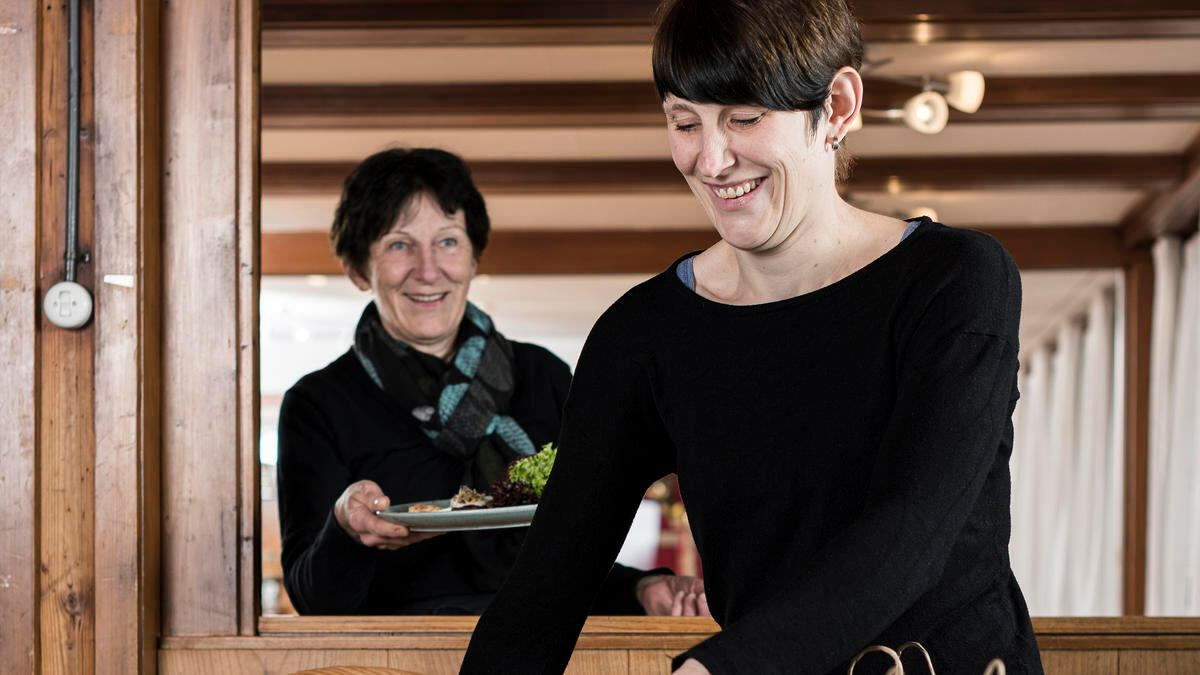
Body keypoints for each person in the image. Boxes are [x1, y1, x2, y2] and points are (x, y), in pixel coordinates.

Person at [460, 0, 1044, 673]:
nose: (711, 159)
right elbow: (547, 584)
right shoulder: (644, 334)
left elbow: (910, 536)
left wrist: (719, 668)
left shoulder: (954, 280)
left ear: (839, 105)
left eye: (744, 117)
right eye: (684, 122)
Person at [276, 147, 706, 616]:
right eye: (399, 244)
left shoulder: (543, 377)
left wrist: (641, 590)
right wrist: (344, 528)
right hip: (398, 658)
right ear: (359, 269)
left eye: (448, 241)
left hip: (538, 649)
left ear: (474, 258)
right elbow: (311, 598)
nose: (427, 269)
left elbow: (569, 556)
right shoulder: (318, 404)